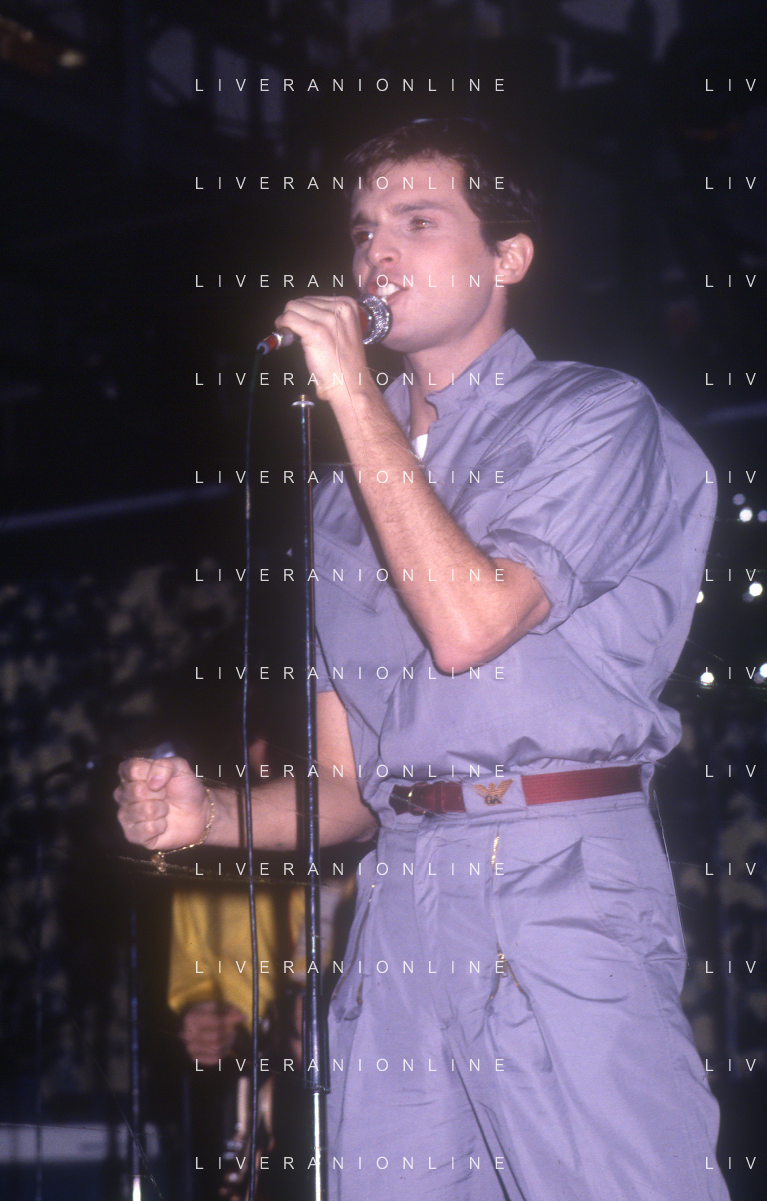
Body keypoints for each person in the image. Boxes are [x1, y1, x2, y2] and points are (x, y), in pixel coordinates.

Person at [115, 118, 729, 1200]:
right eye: (361, 231)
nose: (374, 255)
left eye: (417, 221)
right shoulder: (340, 499)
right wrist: (206, 816)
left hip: (553, 866)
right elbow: (346, 789)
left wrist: (354, 396)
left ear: (508, 256)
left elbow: (470, 622)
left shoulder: (594, 416)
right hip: (399, 892)